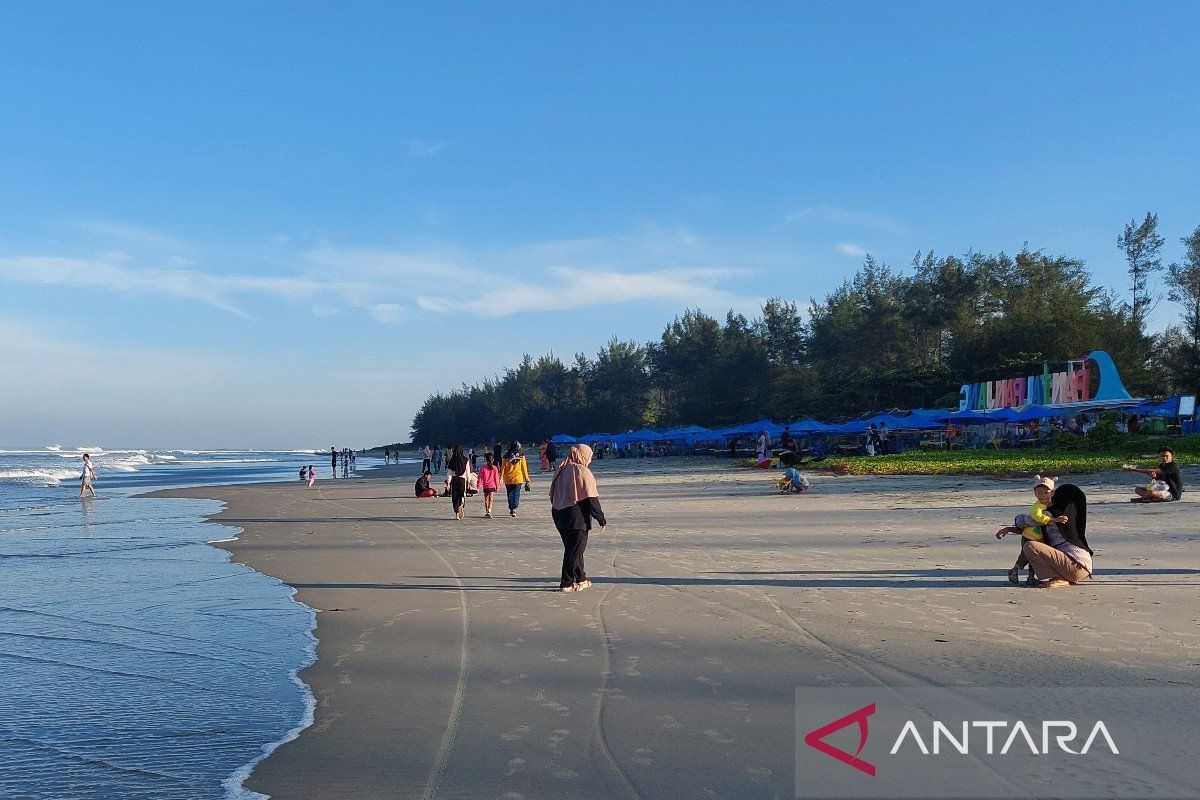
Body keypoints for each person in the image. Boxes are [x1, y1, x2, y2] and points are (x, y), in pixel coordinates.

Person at [998, 483, 1092, 588]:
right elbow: (1037, 530)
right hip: (1084, 568)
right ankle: (1064, 577)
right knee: (1036, 541)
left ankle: (1058, 578)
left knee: (1030, 546)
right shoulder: (1075, 519)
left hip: (1074, 566)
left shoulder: (1054, 516)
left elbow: (1024, 520)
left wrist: (1014, 524)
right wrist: (1010, 529)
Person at [550, 444, 606, 592]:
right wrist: (601, 518)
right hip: (576, 515)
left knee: (574, 549)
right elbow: (591, 499)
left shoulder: (560, 469)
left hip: (558, 513)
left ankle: (581, 578)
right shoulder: (582, 471)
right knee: (574, 550)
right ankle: (566, 582)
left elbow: (552, 493)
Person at [994, 475, 1067, 586]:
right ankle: (1014, 570)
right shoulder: (1038, 506)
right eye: (1039, 493)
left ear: (1052, 493)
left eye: (1046, 492)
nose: (1042, 495)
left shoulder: (1051, 505)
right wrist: (1053, 520)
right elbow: (1036, 516)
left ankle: (1031, 578)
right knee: (1025, 556)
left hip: (1040, 537)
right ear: (1035, 493)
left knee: (1035, 559)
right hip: (1029, 535)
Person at [501, 441, 532, 517]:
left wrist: (500, 478)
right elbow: (524, 468)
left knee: (510, 494)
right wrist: (527, 479)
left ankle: (511, 508)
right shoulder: (521, 457)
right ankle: (514, 508)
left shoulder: (506, 457)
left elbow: (503, 468)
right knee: (516, 494)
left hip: (508, 479)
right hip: (518, 478)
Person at [447, 445, 470, 519]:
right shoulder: (465, 460)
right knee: (462, 495)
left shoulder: (452, 460)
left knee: (455, 497)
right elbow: (467, 472)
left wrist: (448, 483)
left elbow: (449, 473)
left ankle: (456, 513)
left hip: (454, 480)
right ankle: (461, 505)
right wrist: (468, 481)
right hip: (462, 479)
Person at [477, 452, 500, 517]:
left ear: (486, 460)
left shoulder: (483, 468)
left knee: (486, 499)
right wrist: (497, 486)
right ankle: (489, 510)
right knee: (491, 498)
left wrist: (478, 486)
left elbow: (480, 478)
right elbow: (496, 478)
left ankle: (487, 511)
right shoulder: (495, 468)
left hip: (486, 486)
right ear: (493, 460)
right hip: (492, 485)